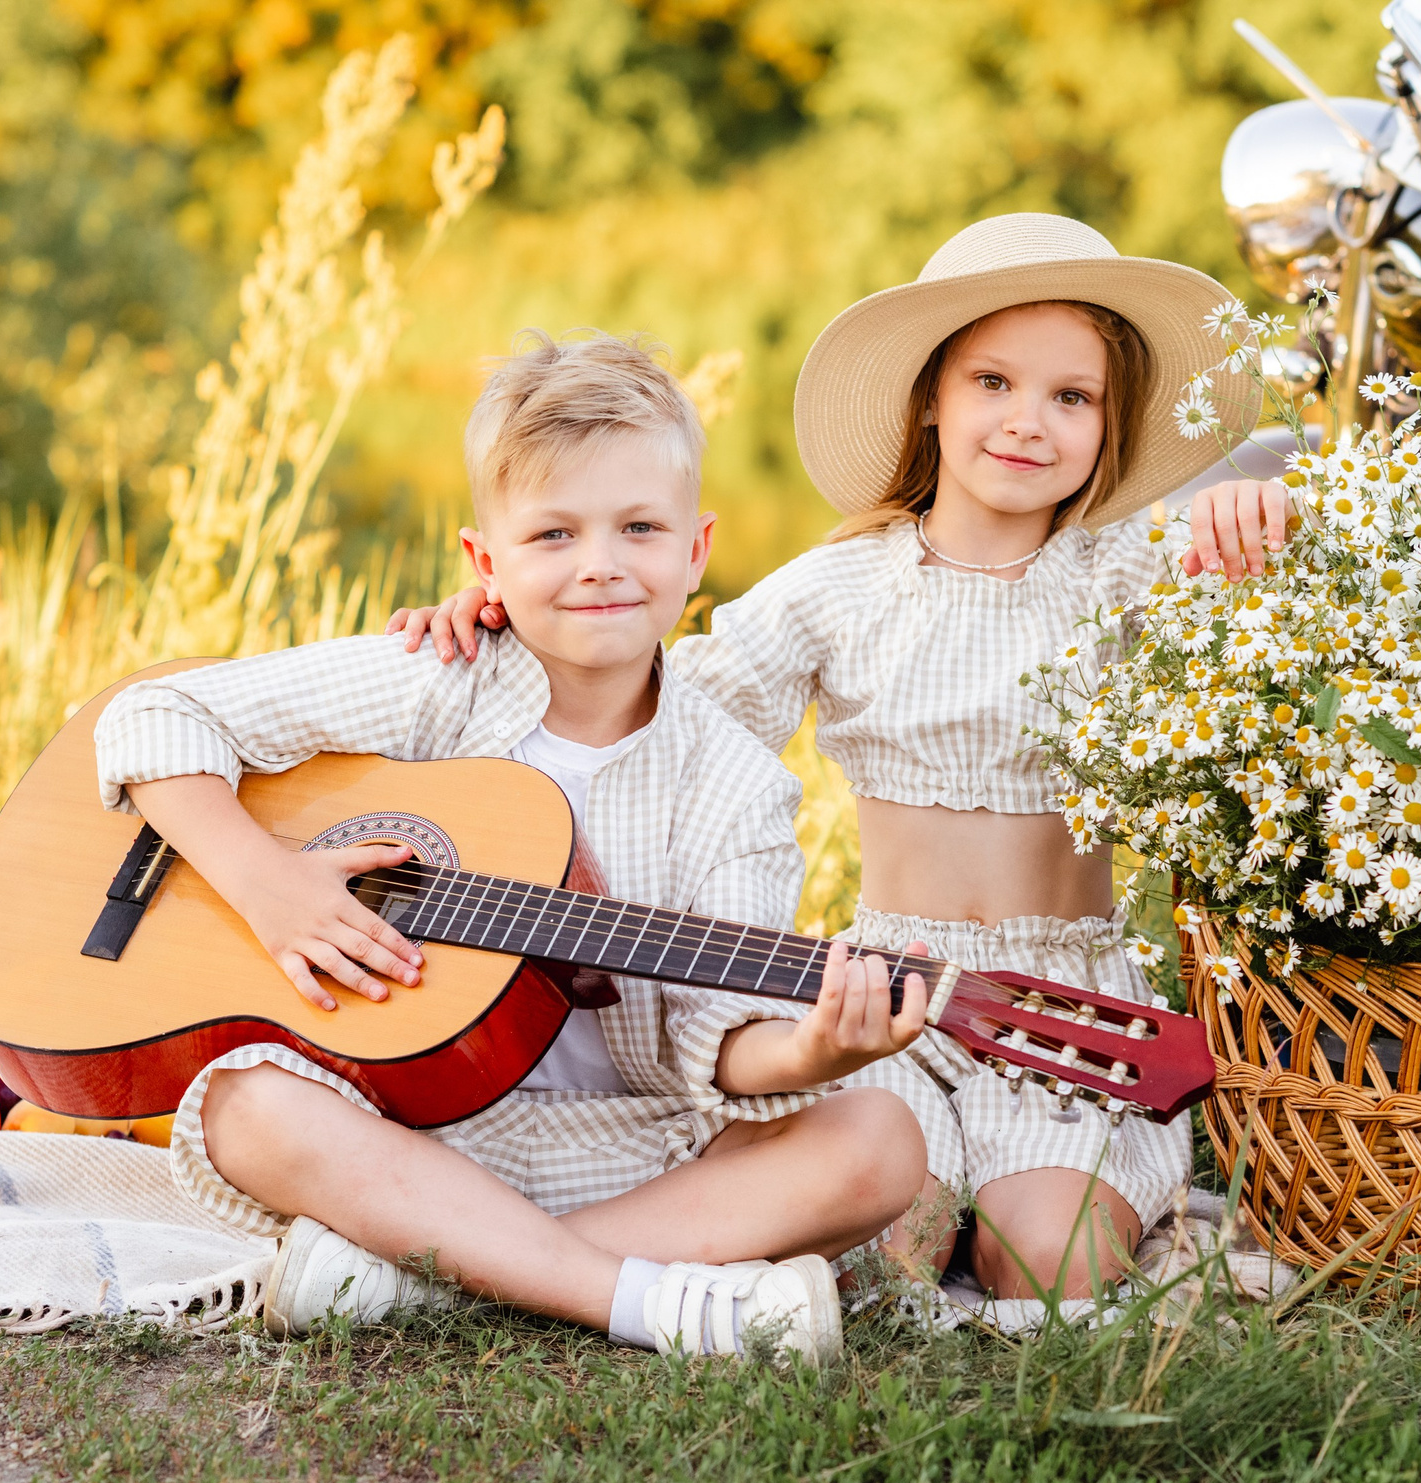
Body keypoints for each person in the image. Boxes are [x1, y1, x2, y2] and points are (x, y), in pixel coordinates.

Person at [392, 214, 1294, 1299]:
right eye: (993, 383)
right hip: (886, 991)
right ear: (931, 396)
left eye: (1072, 398)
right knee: (880, 1255)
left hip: (1065, 994)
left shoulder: (1127, 574)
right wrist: (510, 616)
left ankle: (1093, 1215)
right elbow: (663, 708)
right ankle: (532, 1257)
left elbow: (1308, 542)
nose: (1027, 423)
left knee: (1047, 1270)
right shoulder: (839, 589)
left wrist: (1261, 498)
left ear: (1111, 423)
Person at [96, 332, 932, 1363]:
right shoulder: (440, 675)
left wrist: (822, 1046)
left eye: (639, 528)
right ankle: (649, 1303)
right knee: (246, 1106)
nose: (600, 566)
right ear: (484, 562)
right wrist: (265, 881)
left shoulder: (737, 784)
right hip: (407, 1133)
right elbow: (154, 715)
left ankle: (422, 1281)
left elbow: (720, 1040)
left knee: (879, 1139)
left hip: (642, 1153)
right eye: (552, 536)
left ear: (696, 551)